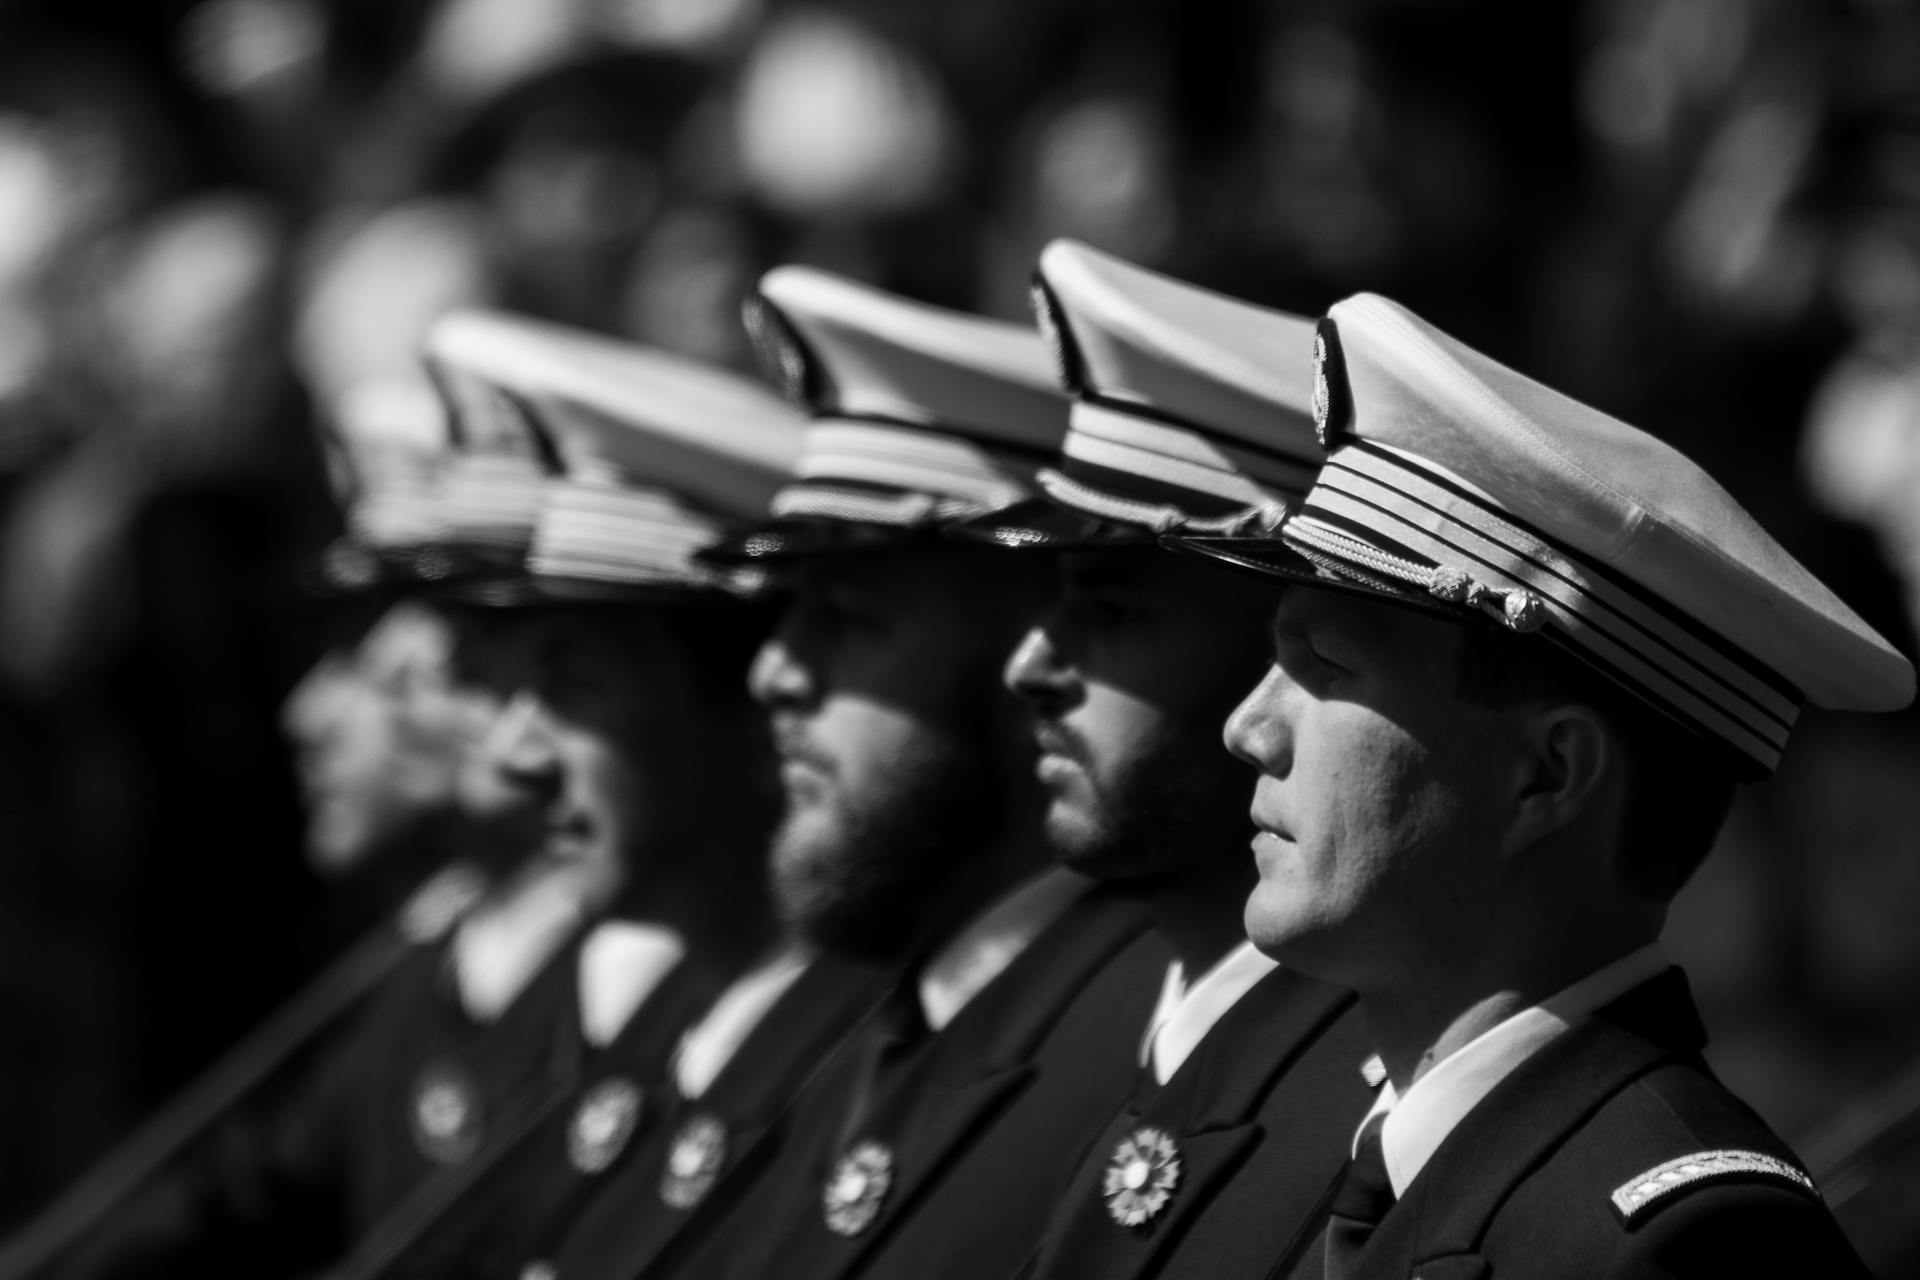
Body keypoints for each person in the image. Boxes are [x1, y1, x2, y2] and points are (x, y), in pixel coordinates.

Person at [1187, 292, 1913, 1278]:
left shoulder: (1683, 1244)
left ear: (1546, 773)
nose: (1248, 726)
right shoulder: (1318, 1138)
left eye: (1326, 666)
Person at [644, 266, 1169, 1280]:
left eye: (848, 615)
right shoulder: (891, 998)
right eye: (785, 612)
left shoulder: (1141, 1041)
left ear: (1032, 646)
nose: (773, 670)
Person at [327, 310, 809, 1279]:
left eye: (571, 684)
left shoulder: (840, 1037)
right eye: (500, 676)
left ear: (763, 699)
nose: (516, 752)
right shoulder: (672, 1006)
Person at [992, 240, 1375, 1280]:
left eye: (1110, 609)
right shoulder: (1078, 1011)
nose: (1030, 663)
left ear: (1284, 646)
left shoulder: (1384, 1101)